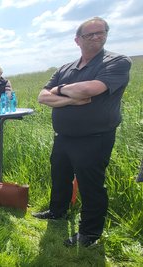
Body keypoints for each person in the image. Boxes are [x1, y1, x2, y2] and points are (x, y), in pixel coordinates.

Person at [35, 17, 132, 247]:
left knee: (91, 185)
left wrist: (58, 92)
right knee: (60, 176)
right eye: (90, 35)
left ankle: (90, 233)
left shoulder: (116, 61)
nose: (97, 37)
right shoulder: (66, 68)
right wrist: (72, 99)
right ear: (77, 40)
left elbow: (91, 88)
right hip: (64, 135)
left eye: (101, 32)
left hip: (95, 137)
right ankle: (57, 211)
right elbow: (42, 96)